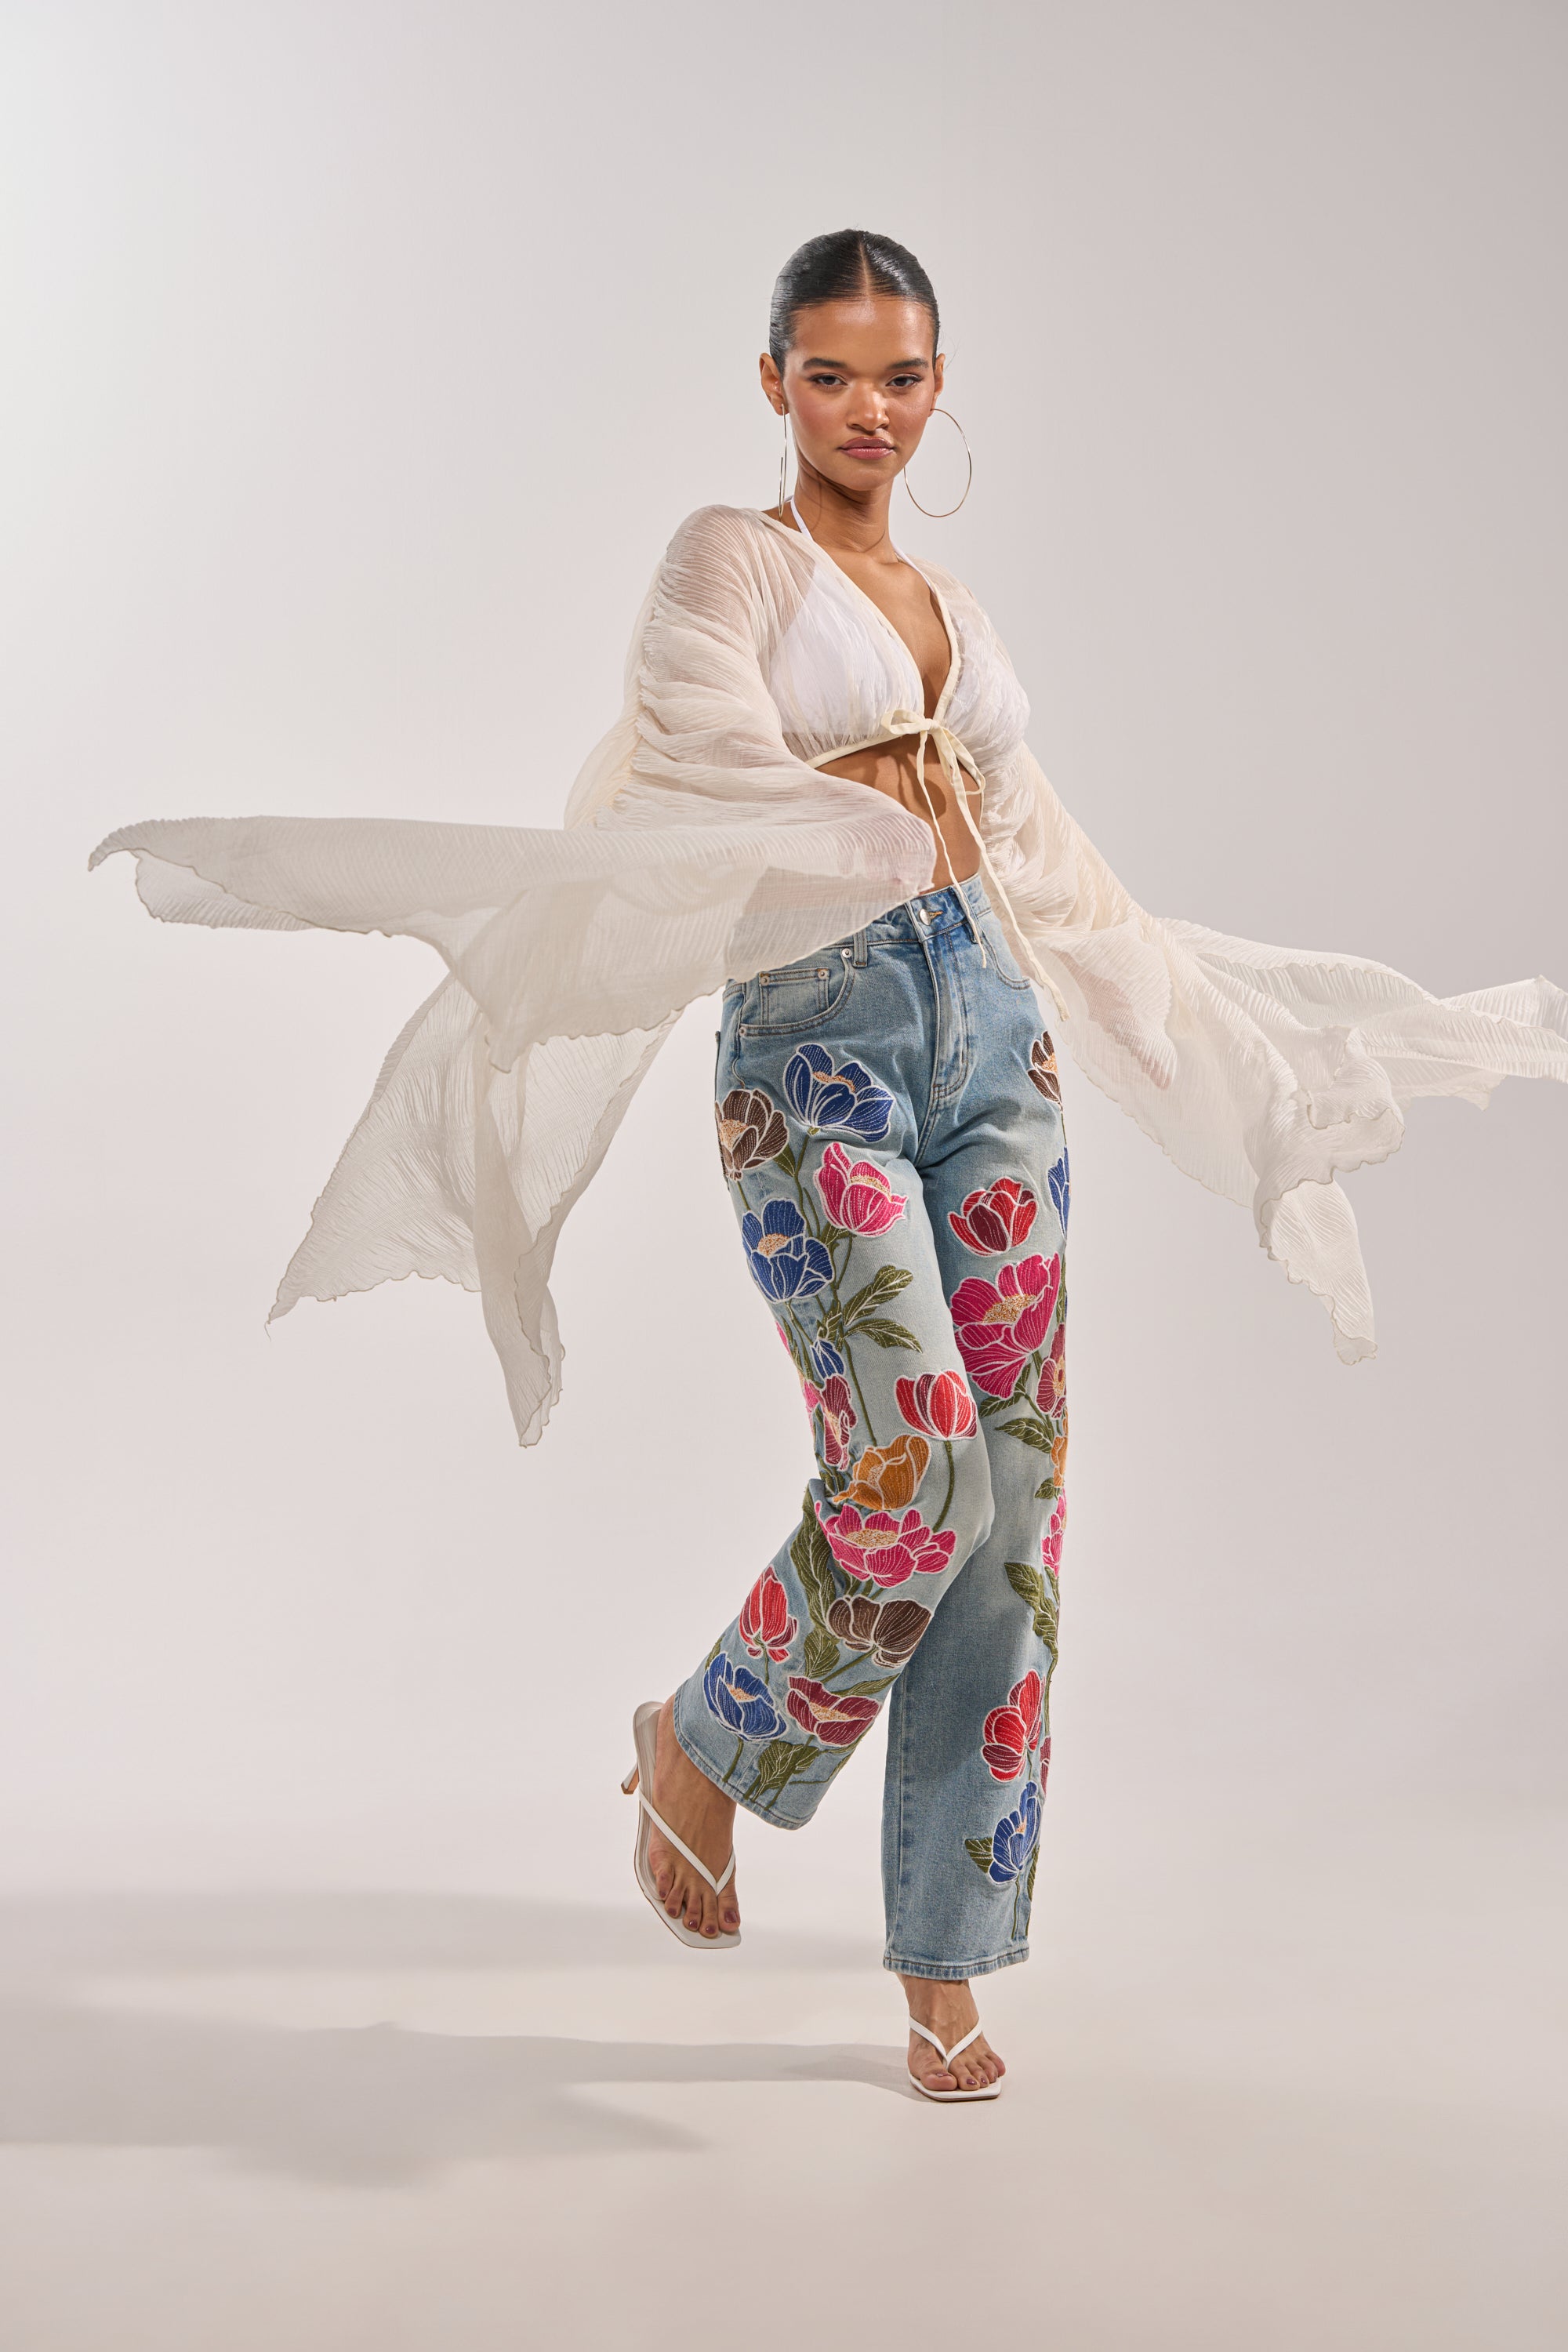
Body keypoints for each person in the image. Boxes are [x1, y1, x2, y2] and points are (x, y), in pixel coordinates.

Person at [92, 229, 1568, 2102]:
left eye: (903, 374)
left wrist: (1233, 1052)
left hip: (991, 1040)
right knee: (913, 1466)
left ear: (939, 384)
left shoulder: (956, 606)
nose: (871, 409)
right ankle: (707, 1741)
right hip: (816, 1050)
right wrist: (865, 804)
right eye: (833, 374)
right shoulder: (730, 561)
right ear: (774, 383)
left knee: (1010, 1520)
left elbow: (1049, 865)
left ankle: (948, 1959)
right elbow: (702, 758)